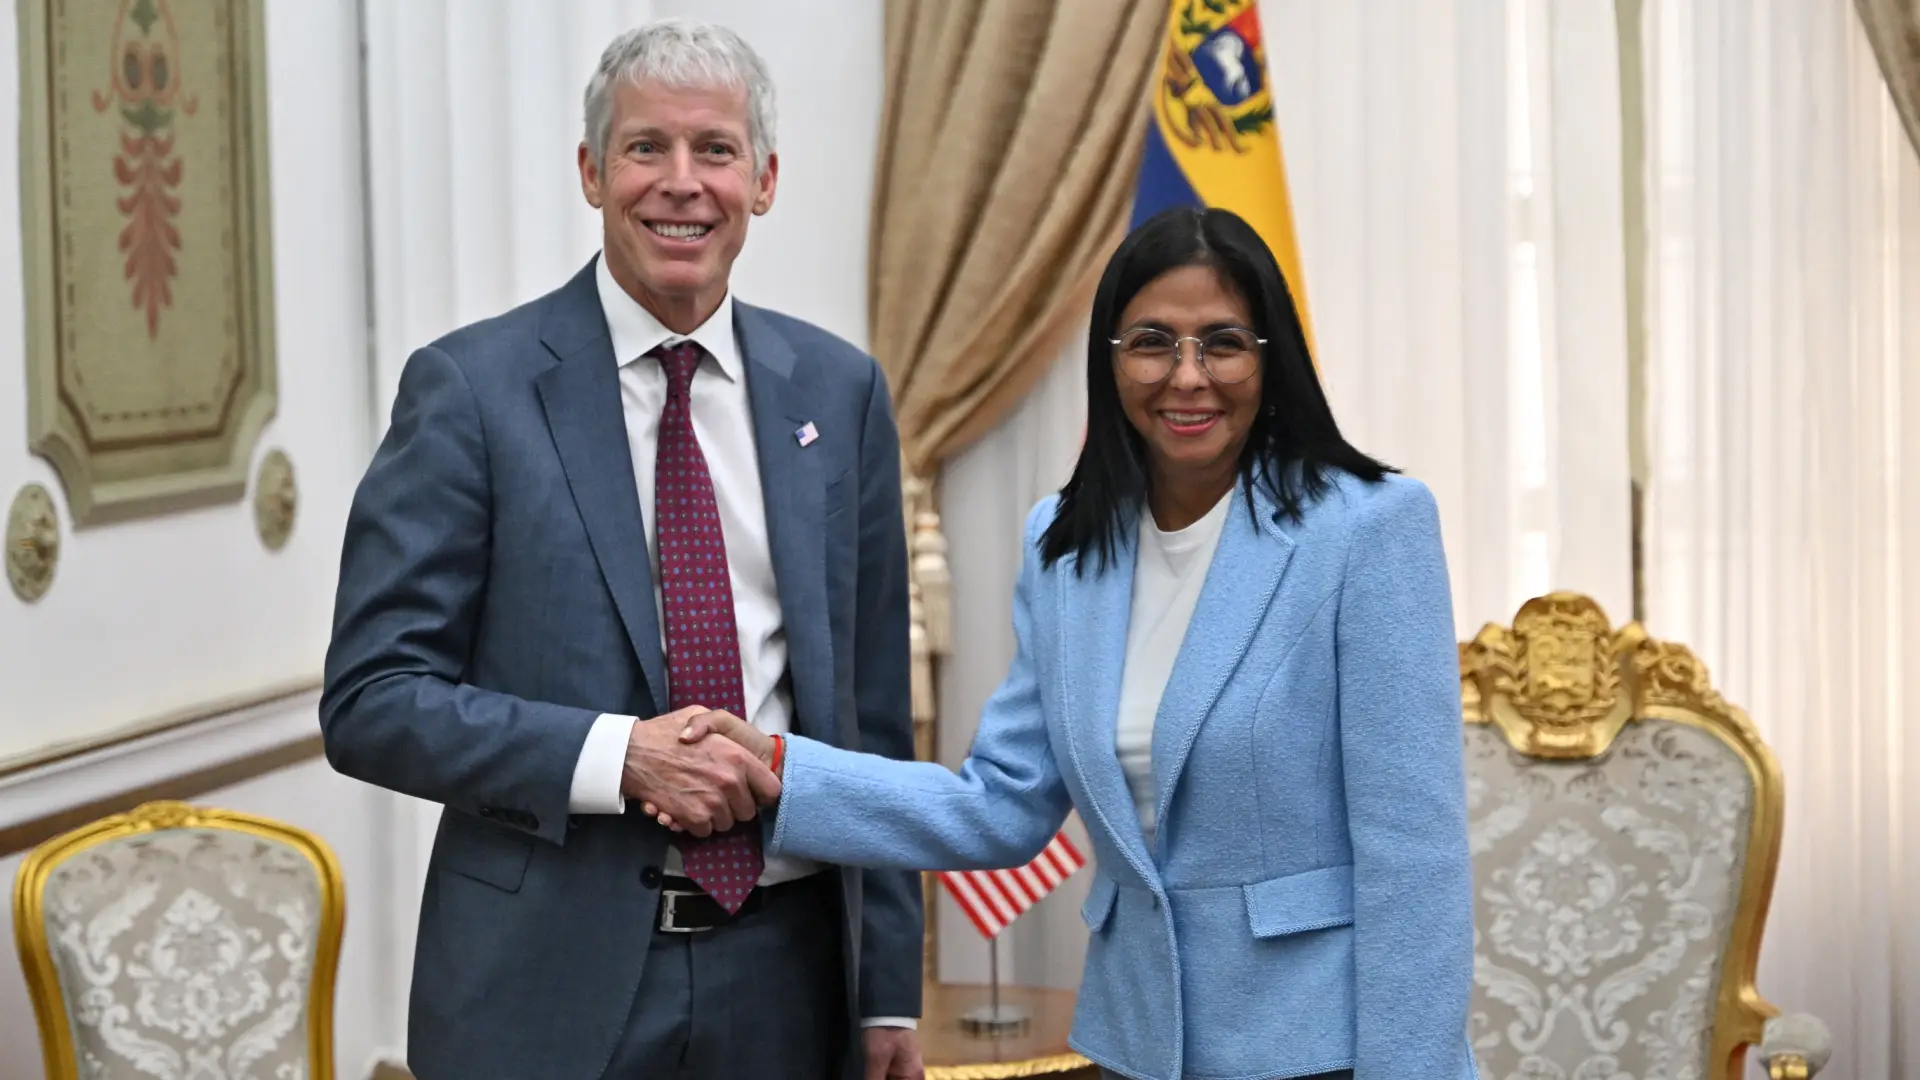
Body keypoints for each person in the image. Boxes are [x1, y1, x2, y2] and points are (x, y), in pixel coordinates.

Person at [666, 207, 1479, 1080]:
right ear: (1111, 357)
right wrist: (786, 770)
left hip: (1324, 1047)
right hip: (1135, 1044)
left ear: (1271, 355)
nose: (1188, 376)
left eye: (1224, 342)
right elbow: (1001, 803)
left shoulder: (1368, 529)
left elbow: (1414, 863)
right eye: (1153, 342)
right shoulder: (1065, 545)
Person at [319, 19, 924, 1080]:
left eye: (716, 151)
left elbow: (872, 717)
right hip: (541, 989)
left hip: (791, 981)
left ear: (765, 180)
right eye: (646, 148)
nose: (681, 183)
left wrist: (887, 994)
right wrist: (618, 758)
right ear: (592, 172)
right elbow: (372, 699)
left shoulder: (840, 395)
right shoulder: (471, 391)